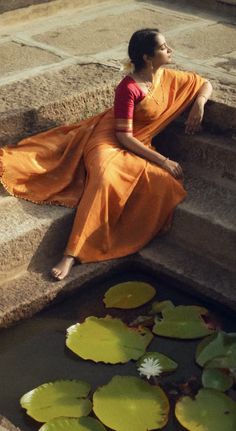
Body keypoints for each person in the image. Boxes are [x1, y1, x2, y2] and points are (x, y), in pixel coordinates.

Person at [0, 28, 213, 280]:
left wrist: (198, 104)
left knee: (164, 184)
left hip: (137, 143)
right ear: (147, 57)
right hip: (108, 140)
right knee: (104, 177)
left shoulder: (166, 77)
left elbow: (204, 83)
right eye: (163, 47)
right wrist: (163, 160)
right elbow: (123, 137)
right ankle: (71, 254)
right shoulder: (129, 87)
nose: (170, 50)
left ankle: (119, 238)